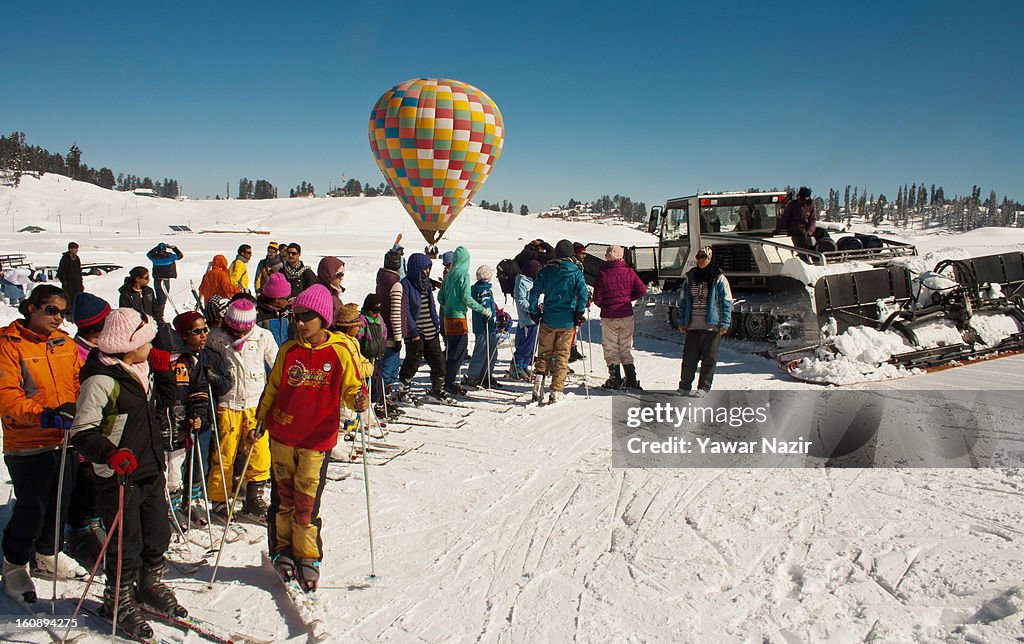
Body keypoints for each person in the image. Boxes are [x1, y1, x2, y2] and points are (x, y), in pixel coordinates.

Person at [69, 308, 184, 637]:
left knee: (158, 532)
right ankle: (118, 598)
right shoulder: (101, 380)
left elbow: (165, 402)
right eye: (148, 342)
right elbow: (83, 432)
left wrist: (163, 372)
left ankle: (149, 584)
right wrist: (110, 453)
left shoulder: (140, 367)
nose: (153, 348)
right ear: (129, 344)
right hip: (119, 475)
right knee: (125, 542)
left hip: (149, 466)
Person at [256, 285, 369, 592]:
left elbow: (351, 389)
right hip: (282, 434)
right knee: (283, 497)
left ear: (323, 318)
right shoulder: (288, 349)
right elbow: (274, 388)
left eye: (307, 317)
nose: (301, 323)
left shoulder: (340, 351)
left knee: (306, 501)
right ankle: (282, 549)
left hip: (316, 439)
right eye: (297, 317)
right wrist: (260, 419)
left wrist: (358, 400)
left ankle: (307, 554)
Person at [0, 285, 88, 604]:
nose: (58, 317)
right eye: (51, 310)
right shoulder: (8, 343)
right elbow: (7, 396)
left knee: (59, 501)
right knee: (31, 507)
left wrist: (82, 407)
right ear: (31, 308)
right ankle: (14, 562)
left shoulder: (64, 343)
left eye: (63, 312)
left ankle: (47, 552)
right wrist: (46, 415)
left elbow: (78, 382)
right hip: (28, 440)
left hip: (63, 438)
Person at [205, 297, 278, 519]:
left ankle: (254, 496)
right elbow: (206, 361)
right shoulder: (216, 338)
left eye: (242, 331)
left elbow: (276, 364)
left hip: (256, 403)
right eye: (234, 331)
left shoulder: (263, 336)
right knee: (224, 451)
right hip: (228, 402)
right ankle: (219, 498)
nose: (238, 336)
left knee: (259, 451)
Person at [170, 311, 231, 522]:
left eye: (205, 329)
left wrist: (213, 377)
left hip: (205, 417)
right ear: (184, 335)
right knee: (179, 462)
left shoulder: (211, 356)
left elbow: (225, 384)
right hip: (180, 420)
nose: (204, 334)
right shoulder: (177, 359)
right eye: (197, 331)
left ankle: (194, 497)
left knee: (200, 460)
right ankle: (176, 500)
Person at [67, 292, 112, 566]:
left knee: (99, 480)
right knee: (84, 481)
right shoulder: (76, 352)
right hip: (86, 427)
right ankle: (81, 530)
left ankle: (97, 521)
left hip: (106, 426)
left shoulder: (103, 348)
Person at [528, 240, 589, 404]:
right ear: (570, 253)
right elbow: (583, 294)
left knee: (543, 354)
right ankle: (556, 390)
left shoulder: (546, 270)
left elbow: (534, 293)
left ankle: (538, 386)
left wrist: (534, 311)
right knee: (562, 356)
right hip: (567, 320)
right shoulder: (576, 272)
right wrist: (579, 312)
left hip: (548, 318)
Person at [677, 246, 733, 396]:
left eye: (704, 257)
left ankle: (703, 387)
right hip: (693, 324)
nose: (700, 260)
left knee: (709, 359)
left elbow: (726, 301)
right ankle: (684, 386)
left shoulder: (718, 277)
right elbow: (683, 301)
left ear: (710, 258)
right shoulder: (690, 277)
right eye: (698, 257)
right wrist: (682, 320)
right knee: (689, 358)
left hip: (711, 325)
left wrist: (725, 322)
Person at [436, 247, 492, 396]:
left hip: (447, 317)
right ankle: (449, 382)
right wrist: (483, 310)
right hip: (458, 318)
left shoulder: (449, 275)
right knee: (459, 352)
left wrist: (449, 305)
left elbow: (440, 297)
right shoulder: (463, 275)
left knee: (451, 350)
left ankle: (446, 380)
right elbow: (467, 298)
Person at [593, 245, 647, 390]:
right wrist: (628, 299)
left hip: (609, 315)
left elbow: (597, 298)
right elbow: (642, 289)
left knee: (611, 347)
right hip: (626, 314)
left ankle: (615, 379)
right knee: (625, 347)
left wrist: (604, 304)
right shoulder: (629, 271)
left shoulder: (603, 274)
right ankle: (631, 379)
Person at [397, 253, 449, 402]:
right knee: (412, 362)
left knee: (438, 361)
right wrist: (413, 330)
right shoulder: (405, 284)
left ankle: (437, 389)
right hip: (416, 332)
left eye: (428, 268)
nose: (427, 272)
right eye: (424, 269)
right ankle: (404, 390)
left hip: (431, 329)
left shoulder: (426, 284)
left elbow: (432, 305)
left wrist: (436, 323)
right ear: (416, 268)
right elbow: (405, 309)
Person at [376, 249, 405, 406]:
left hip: (381, 329)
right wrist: (398, 337)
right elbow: (395, 313)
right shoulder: (395, 284)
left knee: (385, 369)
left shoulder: (381, 278)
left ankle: (384, 399)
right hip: (391, 334)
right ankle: (382, 401)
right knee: (389, 370)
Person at [465, 266, 501, 388]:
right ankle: (474, 376)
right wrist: (493, 319)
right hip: (484, 326)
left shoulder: (479, 288)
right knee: (482, 351)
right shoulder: (483, 290)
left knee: (491, 351)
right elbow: (485, 306)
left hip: (485, 326)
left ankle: (486, 375)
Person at [357, 294, 388, 416]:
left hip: (378, 356)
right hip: (367, 357)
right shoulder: (362, 320)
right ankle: (366, 406)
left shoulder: (379, 319)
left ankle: (376, 403)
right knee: (366, 383)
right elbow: (358, 336)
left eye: (378, 311)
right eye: (374, 311)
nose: (376, 314)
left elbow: (384, 332)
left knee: (377, 382)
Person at [510, 259, 541, 381]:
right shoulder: (521, 282)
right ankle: (517, 366)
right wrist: (531, 309)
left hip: (535, 318)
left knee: (532, 345)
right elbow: (521, 300)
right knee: (525, 344)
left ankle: (524, 365)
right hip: (527, 319)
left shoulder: (532, 281)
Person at [777, 187, 825, 252]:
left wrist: (810, 230)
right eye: (801, 198)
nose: (803, 200)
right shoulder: (792, 204)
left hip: (805, 227)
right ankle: (808, 251)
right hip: (793, 227)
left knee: (822, 231)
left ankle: (827, 248)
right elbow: (785, 218)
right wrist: (779, 229)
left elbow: (812, 219)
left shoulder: (810, 205)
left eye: (805, 198)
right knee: (801, 233)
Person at [146, 242, 183, 324]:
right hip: (165, 280)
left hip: (157, 280)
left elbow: (148, 254)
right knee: (162, 300)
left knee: (158, 298)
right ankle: (159, 317)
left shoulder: (154, 257)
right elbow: (180, 256)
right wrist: (174, 248)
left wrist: (156, 248)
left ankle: (156, 314)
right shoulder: (170, 256)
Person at [256, 272, 293, 346]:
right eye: (287, 297)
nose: (290, 299)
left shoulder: (288, 312)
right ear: (277, 299)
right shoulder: (258, 315)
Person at [316, 256, 346, 328]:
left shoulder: (333, 293)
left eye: (342, 274)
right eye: (338, 275)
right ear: (328, 275)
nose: (341, 278)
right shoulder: (322, 296)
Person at [57, 242, 84, 317]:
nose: (76, 250)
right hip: (69, 284)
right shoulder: (65, 258)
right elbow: (61, 271)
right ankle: (69, 314)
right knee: (69, 299)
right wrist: (65, 281)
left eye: (77, 249)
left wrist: (81, 283)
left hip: (77, 284)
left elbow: (79, 271)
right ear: (70, 249)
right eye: (75, 249)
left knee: (78, 298)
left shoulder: (77, 258)